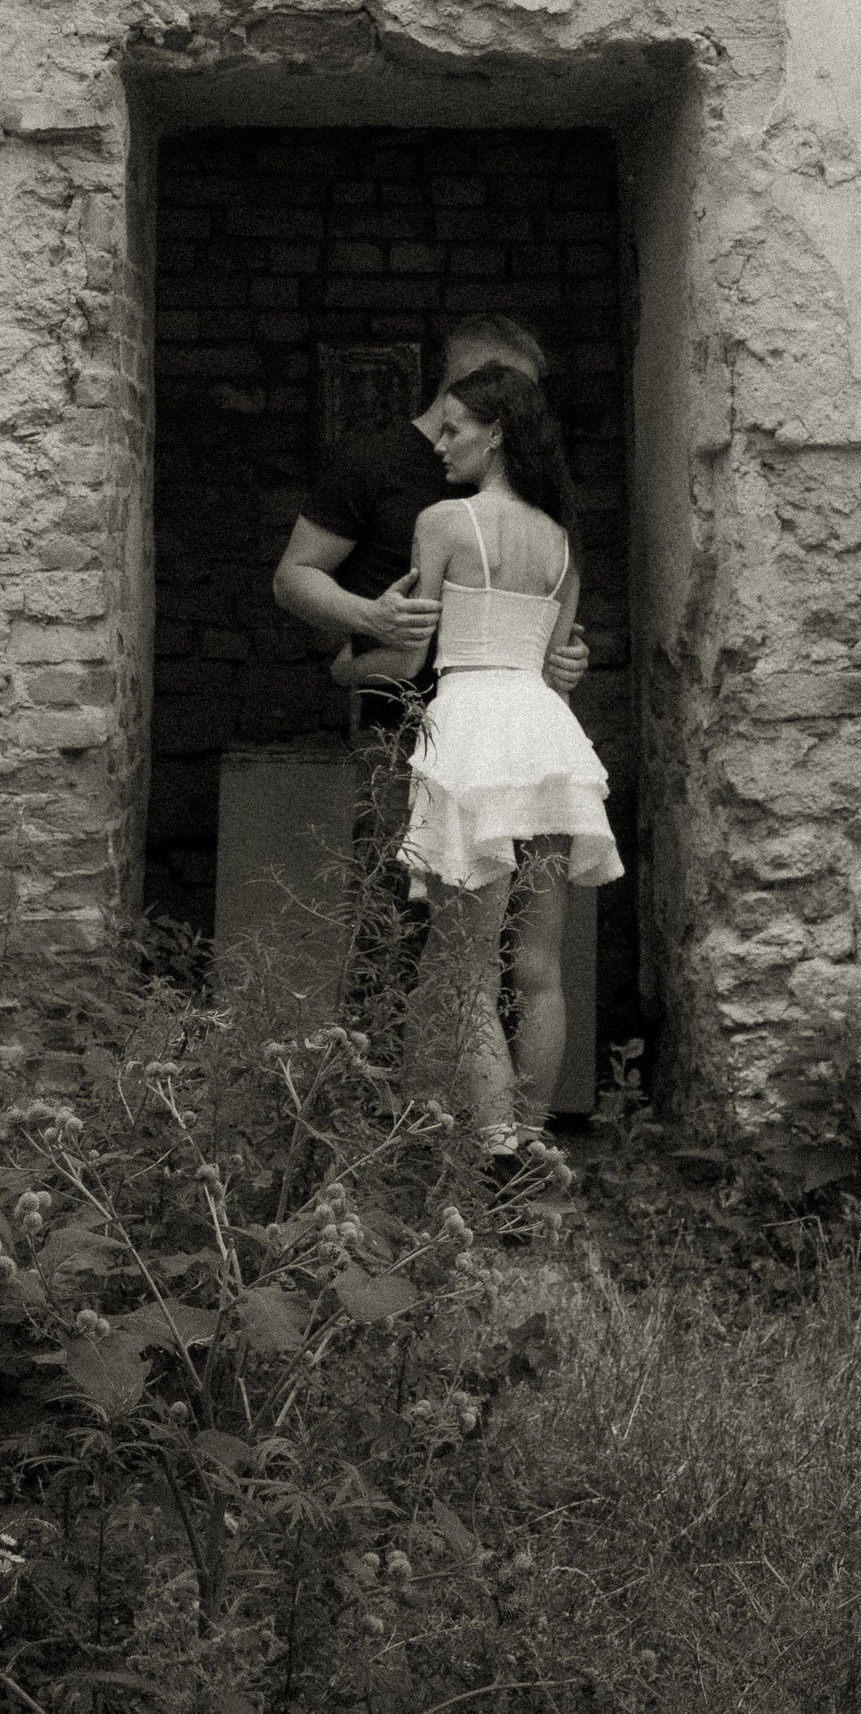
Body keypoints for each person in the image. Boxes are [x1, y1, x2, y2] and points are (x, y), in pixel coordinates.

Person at [339, 362, 623, 1165]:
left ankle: (498, 1153)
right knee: (539, 968)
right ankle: (532, 1146)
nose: (442, 443)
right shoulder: (561, 541)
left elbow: (408, 651)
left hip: (473, 733)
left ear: (496, 432)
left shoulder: (442, 522)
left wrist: (343, 666)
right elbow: (559, 660)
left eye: (456, 427)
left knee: (465, 967)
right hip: (547, 737)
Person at [270, 317, 589, 1024]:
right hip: (403, 730)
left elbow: (546, 594)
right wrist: (367, 619)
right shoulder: (375, 462)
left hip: (505, 734)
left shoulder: (524, 482)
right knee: (392, 920)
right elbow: (293, 578)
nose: (532, 416)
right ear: (477, 383)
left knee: (506, 951)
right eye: (519, 394)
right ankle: (384, 1108)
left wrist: (565, 651)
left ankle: (489, 1124)